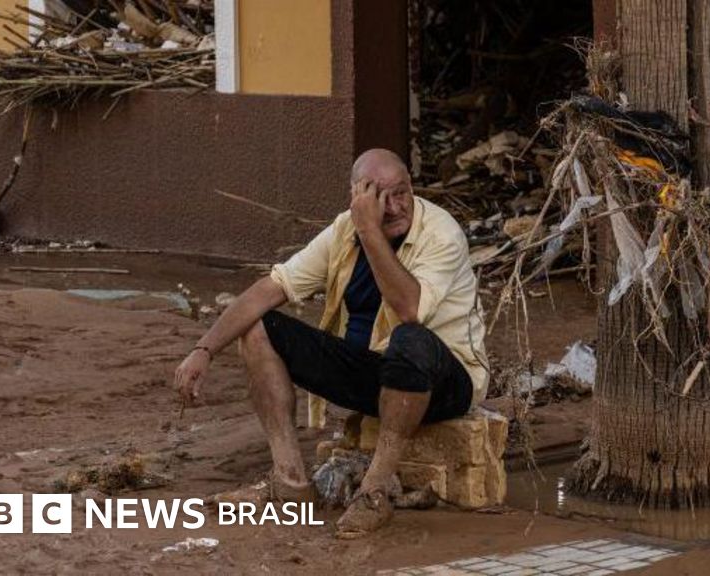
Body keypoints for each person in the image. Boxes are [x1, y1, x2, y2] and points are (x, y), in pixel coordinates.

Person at [174, 148, 488, 536]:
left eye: (401, 193)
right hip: (376, 370)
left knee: (411, 339)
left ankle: (374, 493)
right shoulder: (344, 230)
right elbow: (269, 289)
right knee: (257, 326)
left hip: (444, 381)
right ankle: (290, 485)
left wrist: (371, 232)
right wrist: (203, 350)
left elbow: (410, 309)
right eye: (378, 196)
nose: (393, 207)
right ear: (357, 198)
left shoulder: (440, 232)